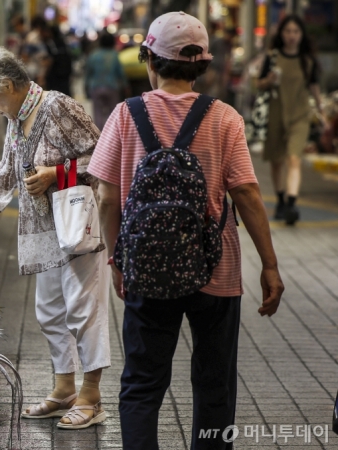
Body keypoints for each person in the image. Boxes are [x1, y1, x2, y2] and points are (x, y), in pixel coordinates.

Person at [89, 12, 284, 449]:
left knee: (142, 383)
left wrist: (118, 257)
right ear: (201, 64)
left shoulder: (125, 115)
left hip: (147, 268)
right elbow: (248, 196)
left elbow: (105, 197)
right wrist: (270, 265)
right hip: (217, 271)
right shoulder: (225, 118)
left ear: (149, 61)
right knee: (215, 384)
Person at [0, 47, 111, 429]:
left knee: (83, 309)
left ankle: (91, 396)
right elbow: (6, 171)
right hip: (43, 230)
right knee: (50, 311)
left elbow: (104, 155)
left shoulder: (57, 106)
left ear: (8, 85)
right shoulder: (15, 118)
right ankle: (63, 390)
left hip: (76, 225)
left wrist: (57, 174)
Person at [257, 14, 325, 225]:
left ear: (302, 34)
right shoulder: (273, 57)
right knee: (277, 161)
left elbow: (313, 86)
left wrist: (320, 110)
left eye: (296, 32)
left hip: (300, 115)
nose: (291, 36)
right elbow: (258, 84)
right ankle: (280, 200)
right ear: (282, 34)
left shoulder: (308, 60)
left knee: (294, 158)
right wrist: (269, 80)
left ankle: (292, 203)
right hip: (276, 114)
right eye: (288, 31)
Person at [85, 32, 128, 130]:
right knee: (113, 113)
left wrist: (86, 87)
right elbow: (120, 73)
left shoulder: (93, 55)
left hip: (95, 87)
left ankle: (99, 136)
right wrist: (126, 86)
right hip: (112, 87)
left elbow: (88, 73)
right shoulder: (114, 55)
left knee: (98, 113)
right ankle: (111, 135)